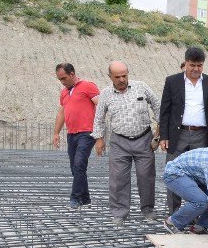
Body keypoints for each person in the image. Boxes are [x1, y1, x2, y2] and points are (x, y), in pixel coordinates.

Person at [91, 61, 160, 225]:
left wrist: (160, 129)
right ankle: (119, 213)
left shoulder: (141, 87)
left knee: (146, 177)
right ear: (110, 77)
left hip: (144, 139)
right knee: (118, 179)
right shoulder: (106, 94)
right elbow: (99, 118)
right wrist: (99, 139)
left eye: (124, 75)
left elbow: (157, 106)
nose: (122, 79)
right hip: (119, 142)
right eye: (117, 77)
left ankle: (148, 209)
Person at [159, 47, 208, 214]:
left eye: (199, 65)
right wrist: (164, 136)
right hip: (177, 135)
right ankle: (174, 214)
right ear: (185, 63)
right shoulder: (172, 81)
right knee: (173, 173)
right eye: (192, 65)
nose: (195, 69)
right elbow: (165, 110)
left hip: (201, 136)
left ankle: (194, 214)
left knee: (200, 176)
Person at [53, 63, 100, 209]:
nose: (62, 81)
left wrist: (100, 133)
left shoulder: (88, 86)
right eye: (59, 79)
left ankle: (75, 198)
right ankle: (85, 198)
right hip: (71, 134)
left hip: (87, 133)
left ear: (72, 74)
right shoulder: (64, 93)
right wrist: (56, 133)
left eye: (64, 78)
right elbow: (62, 113)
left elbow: (101, 106)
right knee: (75, 168)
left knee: (79, 164)